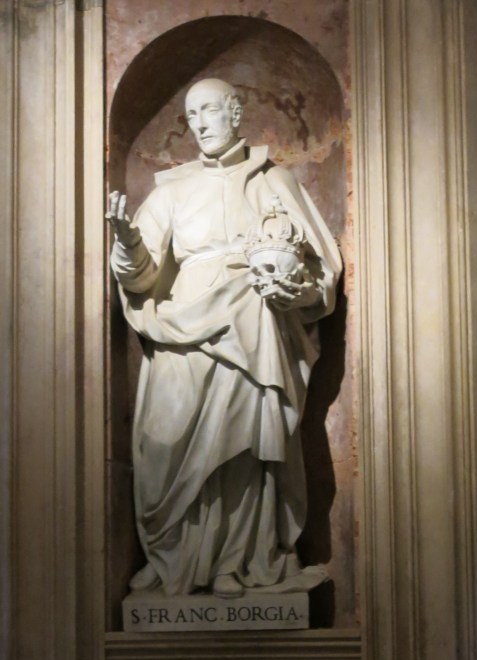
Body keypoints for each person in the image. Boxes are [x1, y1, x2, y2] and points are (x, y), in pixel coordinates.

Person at [107, 78, 341, 598]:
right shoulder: (172, 190)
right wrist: (125, 243)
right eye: (192, 115)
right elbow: (141, 277)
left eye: (210, 110)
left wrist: (292, 289)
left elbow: (318, 268)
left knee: (245, 444)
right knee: (165, 441)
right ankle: (172, 558)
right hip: (182, 325)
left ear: (235, 113)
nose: (201, 124)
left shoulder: (273, 182)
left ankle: (239, 559)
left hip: (252, 326)